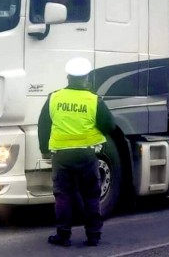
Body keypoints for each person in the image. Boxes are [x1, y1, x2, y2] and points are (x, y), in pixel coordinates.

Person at [38, 57, 117, 247]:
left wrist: (44, 150)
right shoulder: (93, 100)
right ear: (86, 78)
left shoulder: (54, 98)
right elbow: (110, 125)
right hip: (86, 155)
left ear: (67, 77)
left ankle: (63, 235)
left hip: (61, 155)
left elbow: (43, 125)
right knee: (91, 195)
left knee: (63, 195)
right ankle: (93, 235)